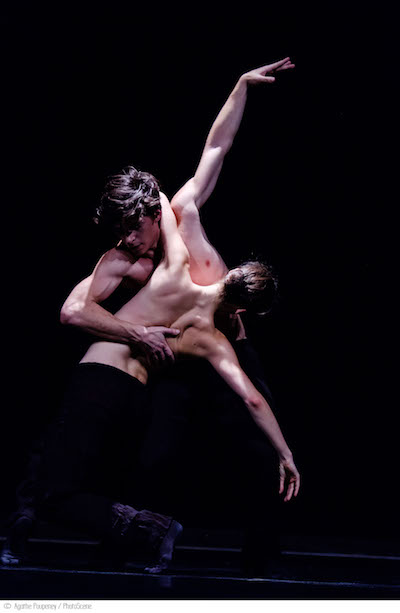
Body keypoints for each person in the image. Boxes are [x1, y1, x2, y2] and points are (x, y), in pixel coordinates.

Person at [2, 59, 299, 575]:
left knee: (252, 435)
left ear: (151, 216)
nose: (126, 238)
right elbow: (74, 309)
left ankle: (260, 547)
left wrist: (240, 87)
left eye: (132, 228)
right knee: (146, 451)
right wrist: (137, 331)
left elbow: (216, 148)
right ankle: (120, 533)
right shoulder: (131, 258)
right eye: (119, 231)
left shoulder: (183, 226)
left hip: (216, 341)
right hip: (173, 355)